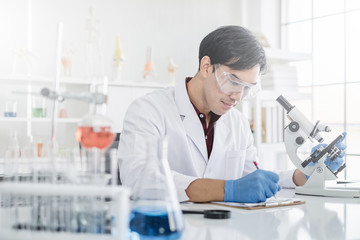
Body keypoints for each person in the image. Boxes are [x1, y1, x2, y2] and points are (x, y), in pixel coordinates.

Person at [118, 25, 346, 203]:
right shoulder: (148, 111)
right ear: (206, 66)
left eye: (248, 88)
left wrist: (305, 174)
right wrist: (227, 190)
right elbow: (139, 178)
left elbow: (254, 176)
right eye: (234, 82)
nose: (238, 96)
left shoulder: (236, 121)